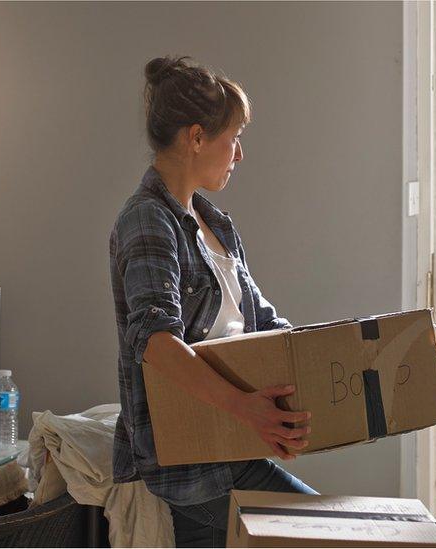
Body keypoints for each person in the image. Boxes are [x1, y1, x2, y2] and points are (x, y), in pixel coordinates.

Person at [109, 55, 318, 547]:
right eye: (233, 137)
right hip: (190, 464)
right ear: (196, 137)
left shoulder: (214, 223)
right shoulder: (147, 222)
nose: (239, 153)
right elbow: (155, 342)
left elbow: (265, 324)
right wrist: (247, 409)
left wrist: (368, 350)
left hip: (234, 446)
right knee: (321, 533)